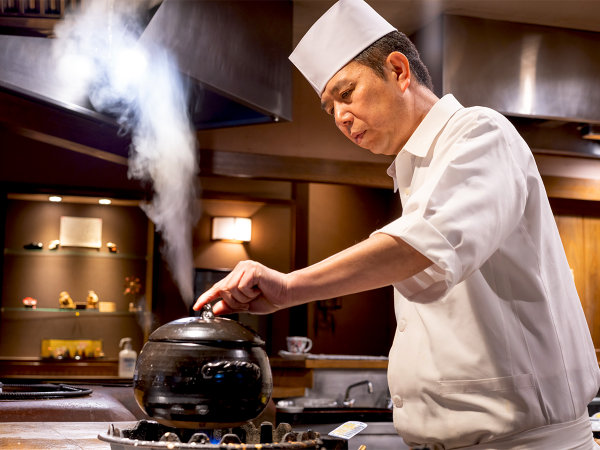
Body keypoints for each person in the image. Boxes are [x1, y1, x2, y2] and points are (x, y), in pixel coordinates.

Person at [194, 0, 600, 448]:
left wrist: (289, 288)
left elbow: (422, 246)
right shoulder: (413, 174)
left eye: (347, 94)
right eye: (330, 109)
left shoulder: (481, 133)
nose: (341, 118)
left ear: (399, 70)